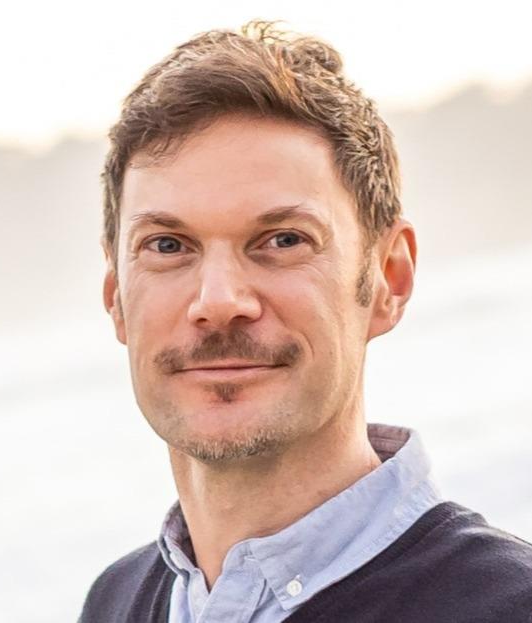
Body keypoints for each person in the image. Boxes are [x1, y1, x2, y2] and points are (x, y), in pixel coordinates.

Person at [79, 20, 532, 623]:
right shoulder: (113, 602)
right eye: (167, 246)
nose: (218, 301)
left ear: (389, 278)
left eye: (283, 239)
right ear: (116, 296)